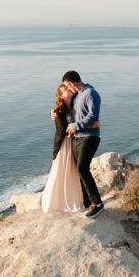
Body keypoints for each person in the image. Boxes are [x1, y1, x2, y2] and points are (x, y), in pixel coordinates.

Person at [62, 70, 104, 219]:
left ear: (72, 83)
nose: (67, 89)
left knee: (82, 168)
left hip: (90, 137)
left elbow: (93, 116)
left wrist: (76, 125)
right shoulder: (77, 96)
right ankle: (87, 201)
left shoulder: (91, 93)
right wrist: (53, 113)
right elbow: (66, 109)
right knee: (78, 170)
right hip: (77, 138)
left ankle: (97, 204)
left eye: (67, 86)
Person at [41, 84, 85, 213]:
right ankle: (58, 202)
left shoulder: (76, 103)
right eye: (64, 90)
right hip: (64, 145)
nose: (68, 89)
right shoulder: (58, 110)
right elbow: (63, 130)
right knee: (62, 171)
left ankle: (75, 198)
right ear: (61, 95)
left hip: (74, 142)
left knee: (73, 172)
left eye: (68, 87)